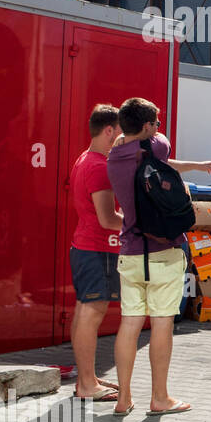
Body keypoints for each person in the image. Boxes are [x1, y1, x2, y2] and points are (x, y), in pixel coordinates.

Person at [107, 98, 211, 416]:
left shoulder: (114, 156)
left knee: (129, 324)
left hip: (130, 252)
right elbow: (162, 144)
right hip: (164, 253)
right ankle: (159, 398)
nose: (159, 128)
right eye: (155, 123)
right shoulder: (156, 146)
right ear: (146, 127)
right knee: (161, 324)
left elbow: (140, 145)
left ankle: (123, 398)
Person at [69, 104, 124, 401]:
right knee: (92, 313)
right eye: (120, 132)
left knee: (84, 312)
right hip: (97, 250)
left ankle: (86, 379)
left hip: (85, 248)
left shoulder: (84, 159)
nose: (122, 139)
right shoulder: (99, 166)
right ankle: (88, 386)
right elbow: (108, 219)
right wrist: (140, 224)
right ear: (109, 131)